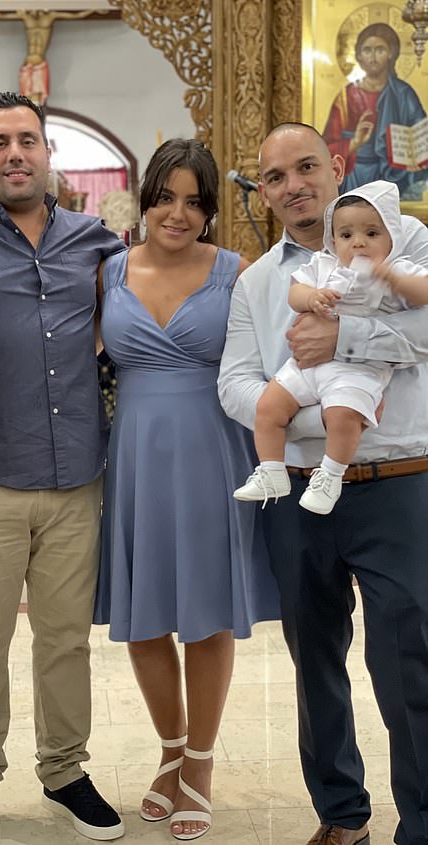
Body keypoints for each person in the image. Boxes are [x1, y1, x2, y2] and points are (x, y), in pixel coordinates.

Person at [0, 91, 126, 845]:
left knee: (66, 638)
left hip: (77, 477)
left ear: (49, 154)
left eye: (28, 140)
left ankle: (65, 768)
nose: (15, 153)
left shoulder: (94, 239)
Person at [218, 122, 428, 845]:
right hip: (301, 488)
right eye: (274, 177)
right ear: (265, 191)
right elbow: (236, 384)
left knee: (409, 660)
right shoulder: (258, 280)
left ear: (335, 165)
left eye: (306, 166)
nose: (292, 185)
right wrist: (314, 406)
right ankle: (342, 815)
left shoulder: (406, 240)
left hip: (398, 480)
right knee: (314, 659)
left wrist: (345, 344)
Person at [93, 139, 281, 841]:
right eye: (166, 196)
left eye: (195, 201)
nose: (178, 212)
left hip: (213, 451)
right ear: (145, 198)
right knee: (144, 617)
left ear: (209, 211)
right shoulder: (107, 272)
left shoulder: (239, 271)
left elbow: (279, 357)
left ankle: (199, 762)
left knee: (202, 612)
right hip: (134, 455)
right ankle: (169, 748)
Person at [234, 179, 428, 514]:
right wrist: (312, 297)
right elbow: (295, 293)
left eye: (372, 234)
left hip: (357, 373)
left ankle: (331, 476)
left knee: (342, 416)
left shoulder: (397, 268)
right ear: (333, 239)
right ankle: (271, 470)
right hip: (305, 368)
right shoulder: (322, 266)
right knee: (267, 406)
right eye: (347, 236)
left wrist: (393, 281)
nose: (359, 244)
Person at [322, 23, 427, 200]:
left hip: (395, 177)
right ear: (358, 56)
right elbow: (325, 150)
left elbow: (422, 136)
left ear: (391, 54)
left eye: (380, 49)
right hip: (355, 176)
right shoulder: (346, 96)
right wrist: (354, 142)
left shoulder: (403, 93)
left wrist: (416, 156)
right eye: (367, 50)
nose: (373, 57)